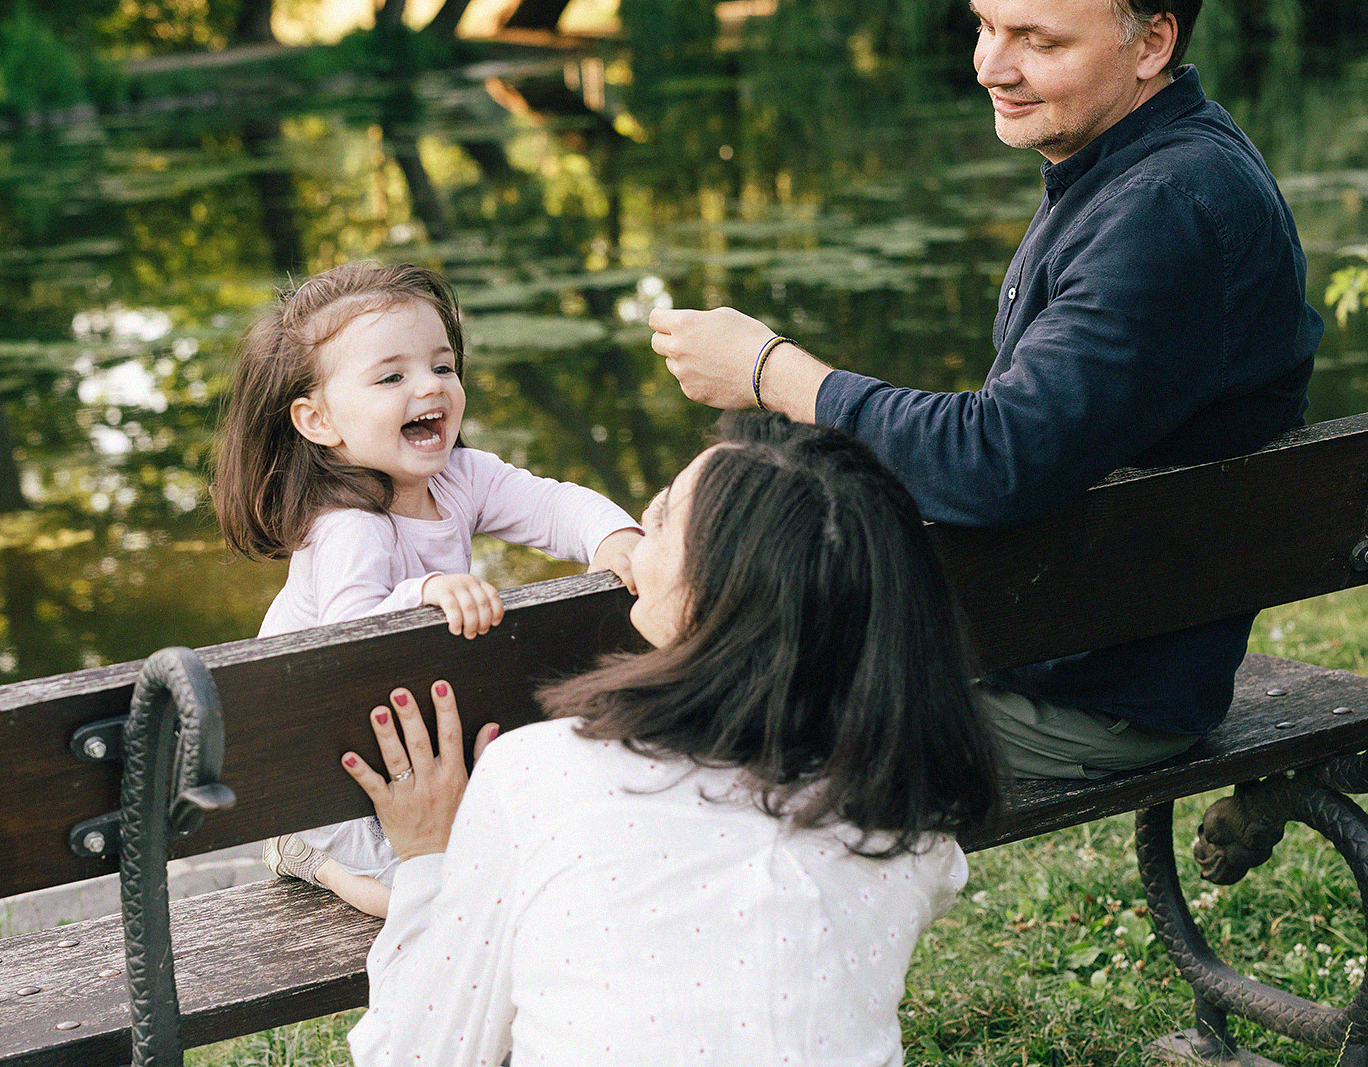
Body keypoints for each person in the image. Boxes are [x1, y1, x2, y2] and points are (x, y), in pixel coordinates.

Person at [649, 0, 1325, 781]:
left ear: (1151, 42)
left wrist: (774, 373)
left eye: (1037, 41)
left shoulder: (1167, 209)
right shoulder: (1146, 168)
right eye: (985, 25)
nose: (989, 66)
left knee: (677, 736)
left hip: (1088, 692)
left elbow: (994, 455)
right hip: (1082, 633)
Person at [339, 411, 1002, 1066]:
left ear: (710, 596)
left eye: (658, 518)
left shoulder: (542, 771)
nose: (638, 529)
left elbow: (419, 1054)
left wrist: (429, 855)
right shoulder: (904, 813)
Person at [215, 261, 644, 917]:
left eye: (442, 366)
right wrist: (425, 590)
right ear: (318, 420)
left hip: (399, 736)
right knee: (423, 895)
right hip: (324, 762)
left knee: (512, 852)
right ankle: (312, 857)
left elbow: (557, 507)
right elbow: (350, 632)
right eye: (392, 376)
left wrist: (613, 537)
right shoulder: (346, 528)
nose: (430, 387)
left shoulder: (463, 477)